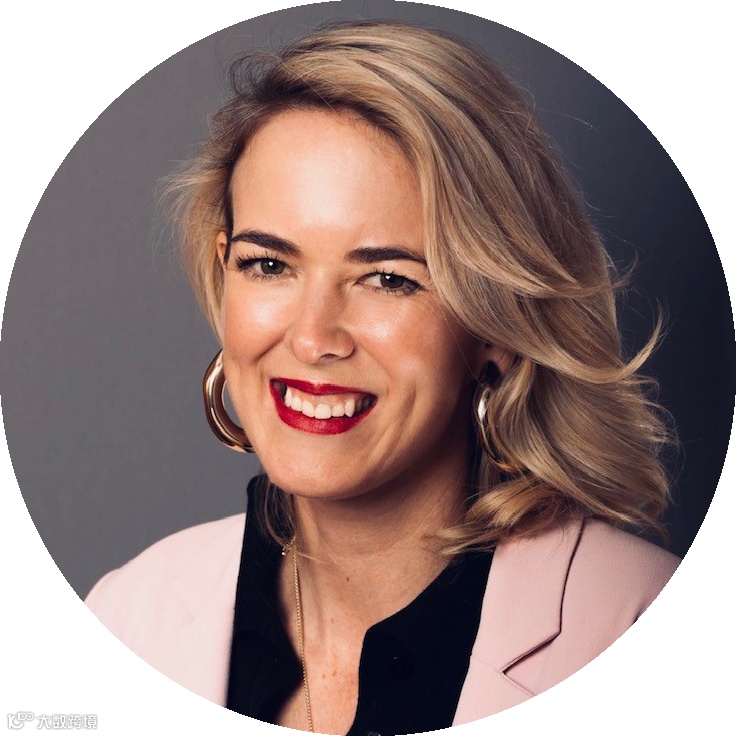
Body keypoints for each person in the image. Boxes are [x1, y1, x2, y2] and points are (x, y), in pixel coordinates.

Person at [85, 20, 680, 734]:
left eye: (388, 278)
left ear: (493, 321)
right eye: (269, 265)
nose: (312, 339)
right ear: (223, 274)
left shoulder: (648, 630)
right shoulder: (124, 618)